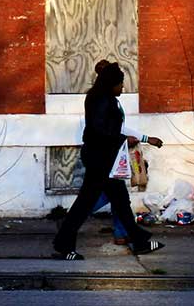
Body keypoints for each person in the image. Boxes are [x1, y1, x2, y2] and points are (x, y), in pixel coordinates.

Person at [52, 60, 166, 259]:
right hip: (100, 160)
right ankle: (64, 243)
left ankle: (139, 241)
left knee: (120, 201)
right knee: (87, 203)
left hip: (104, 158)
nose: (122, 87)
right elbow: (99, 130)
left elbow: (107, 128)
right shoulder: (102, 100)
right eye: (120, 84)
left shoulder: (101, 98)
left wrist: (130, 138)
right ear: (111, 83)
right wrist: (124, 139)